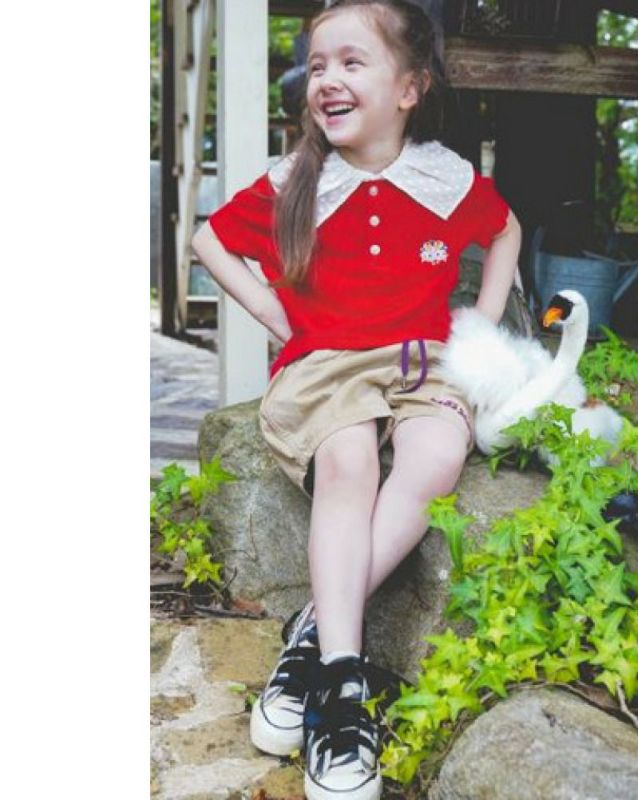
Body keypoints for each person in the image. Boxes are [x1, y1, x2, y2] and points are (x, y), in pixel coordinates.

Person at [191, 1, 521, 797]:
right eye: (318, 65)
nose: (326, 80)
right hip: (329, 367)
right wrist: (273, 313)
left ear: (409, 88)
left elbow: (505, 230)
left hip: (422, 364)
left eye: (351, 62)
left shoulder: (443, 177)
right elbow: (210, 239)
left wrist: (478, 328)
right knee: (349, 465)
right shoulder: (299, 181)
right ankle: (342, 683)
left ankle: (311, 631)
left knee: (435, 456)